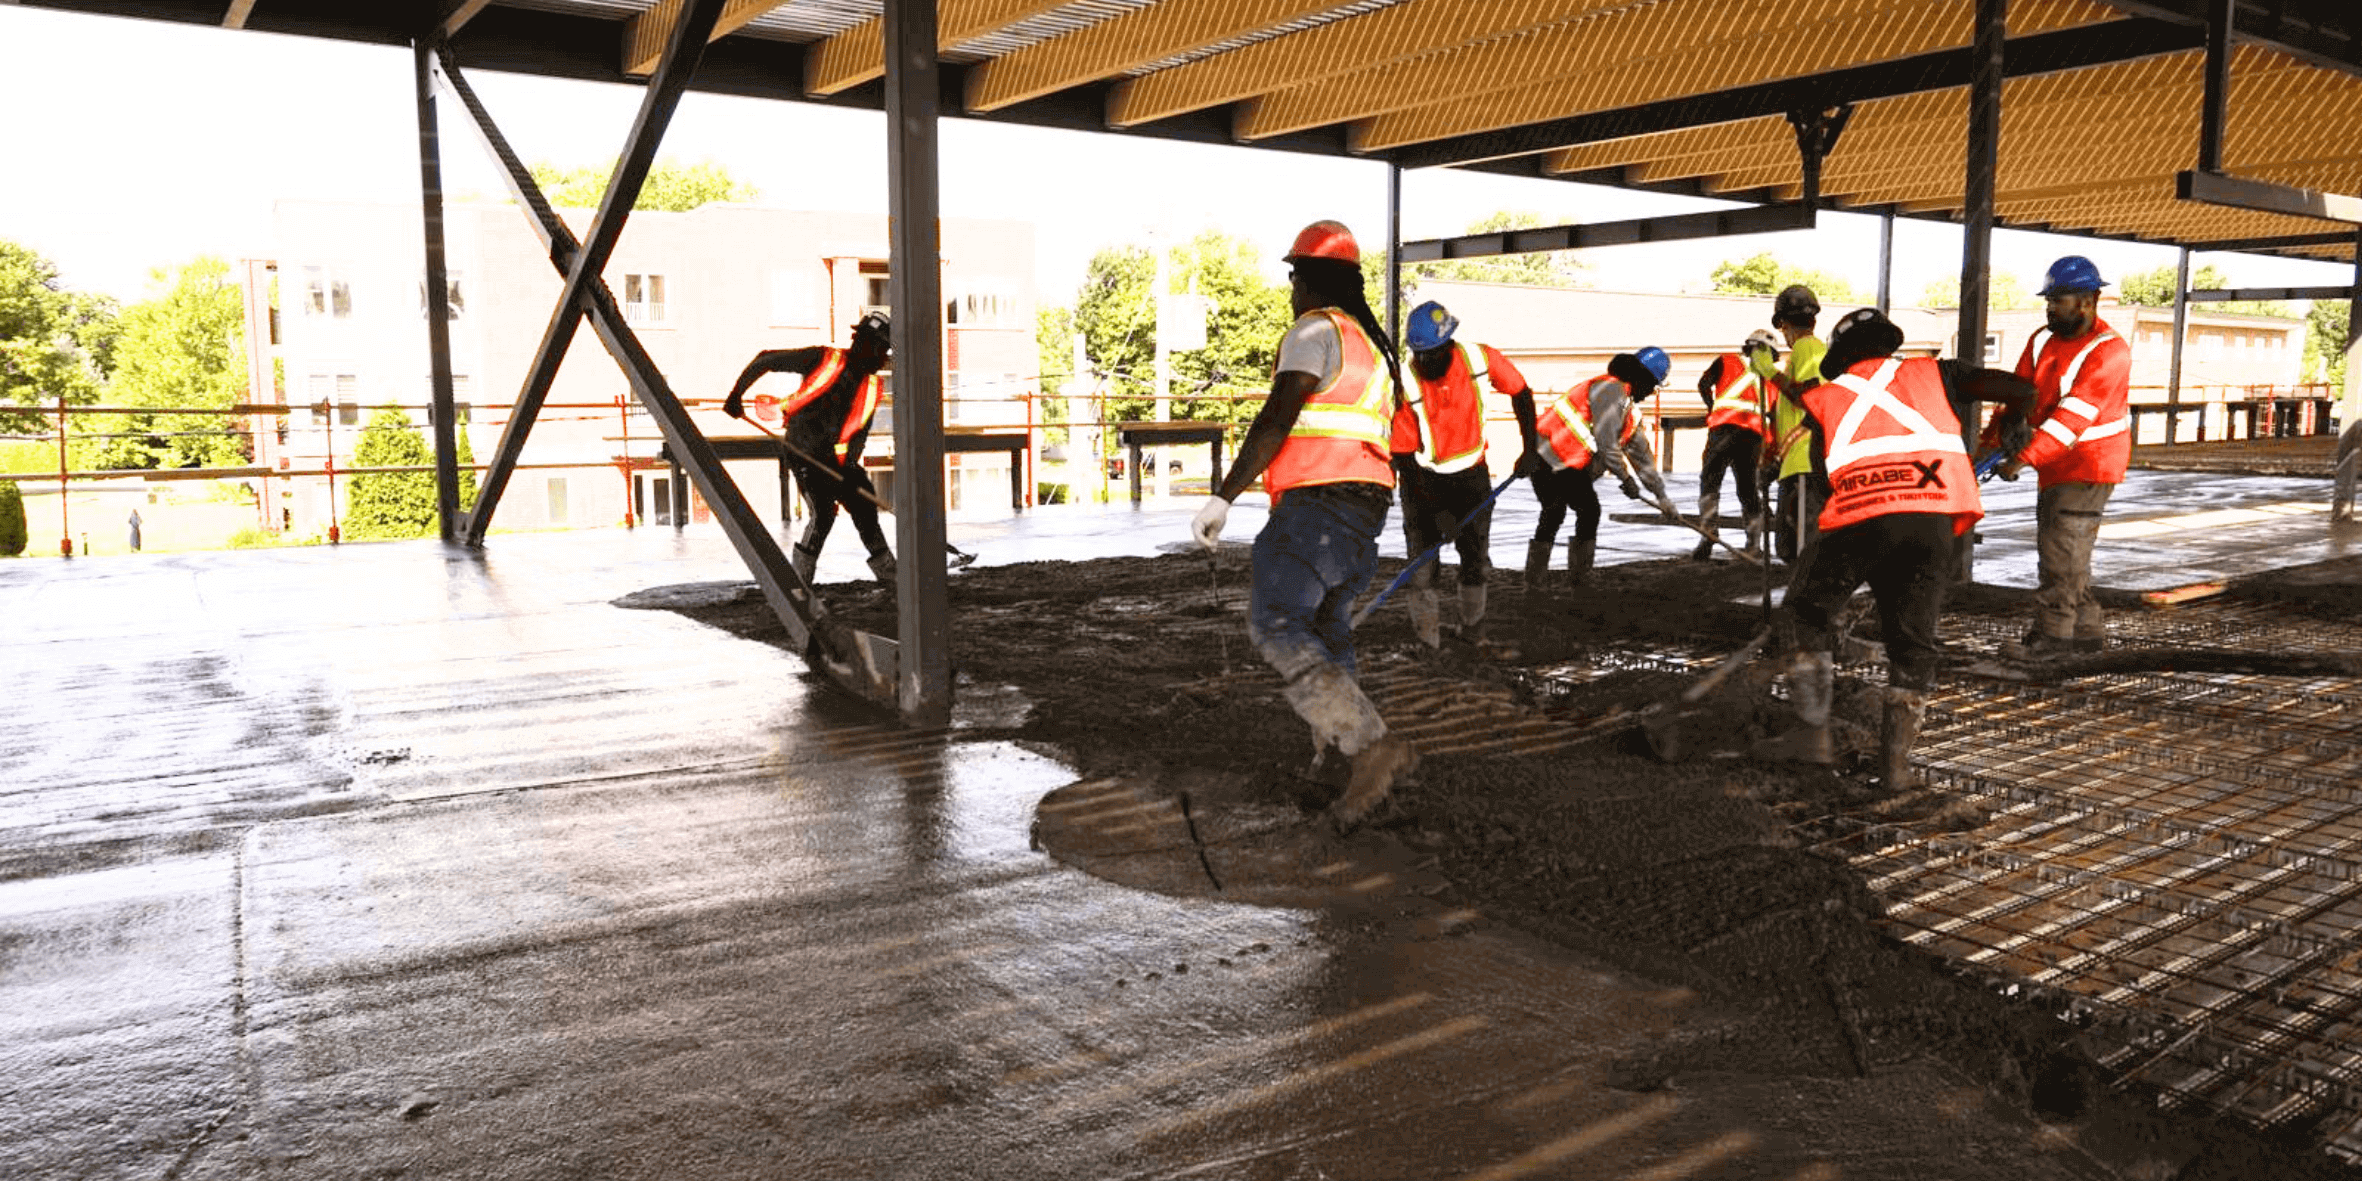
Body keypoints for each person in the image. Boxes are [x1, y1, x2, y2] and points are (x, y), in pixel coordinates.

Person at [1190, 219, 1417, 830]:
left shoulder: (1314, 331)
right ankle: (1340, 758)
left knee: (1277, 622)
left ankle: (1369, 747)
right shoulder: (1372, 347)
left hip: (1315, 506)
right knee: (1327, 628)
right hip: (1362, 512)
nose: (1291, 290)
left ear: (1312, 279)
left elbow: (1277, 417)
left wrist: (1223, 496)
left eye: (1295, 277)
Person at [1752, 308, 2035, 788]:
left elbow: (1823, 482)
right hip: (1932, 524)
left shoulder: (1825, 399)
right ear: (1888, 344)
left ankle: (1812, 736)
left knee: (1806, 612)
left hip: (1860, 520)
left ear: (1841, 358)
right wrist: (2013, 434)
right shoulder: (1938, 372)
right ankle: (1896, 769)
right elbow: (2023, 391)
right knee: (1912, 642)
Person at [1988, 255, 2133, 659]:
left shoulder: (2110, 351)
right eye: (2048, 300)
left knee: (2060, 550)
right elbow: (2016, 394)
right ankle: (2086, 633)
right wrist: (1989, 443)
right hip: (2055, 462)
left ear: (2088, 301)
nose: (2050, 308)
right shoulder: (2041, 340)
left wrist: (2023, 458)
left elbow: (2073, 417)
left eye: (2059, 300)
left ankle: (2052, 639)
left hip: (2089, 464)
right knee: (2070, 551)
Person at [1389, 299, 1529, 646]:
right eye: (1418, 354)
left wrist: (1532, 448)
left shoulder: (1481, 359)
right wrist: (1438, 514)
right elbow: (1404, 458)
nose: (1425, 362)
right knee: (1422, 564)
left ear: (1448, 344)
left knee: (1475, 559)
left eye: (1432, 353)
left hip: (1472, 478)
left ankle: (1473, 634)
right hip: (1423, 480)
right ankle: (1427, 642)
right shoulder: (1405, 382)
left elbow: (1521, 392)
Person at [724, 311, 895, 584]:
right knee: (823, 513)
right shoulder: (822, 359)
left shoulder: (872, 387)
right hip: (804, 453)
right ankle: (800, 582)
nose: (884, 357)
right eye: (882, 348)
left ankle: (891, 576)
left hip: (837, 461)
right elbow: (765, 359)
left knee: (864, 502)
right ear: (863, 343)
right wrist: (736, 393)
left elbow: (859, 434)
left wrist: (849, 468)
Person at [1517, 348, 1676, 590]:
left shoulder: (1629, 411)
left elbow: (1642, 459)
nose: (1652, 391)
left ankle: (1551, 579)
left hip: (1568, 465)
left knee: (1566, 512)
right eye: (1653, 384)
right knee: (1575, 510)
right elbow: (1606, 444)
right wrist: (1625, 479)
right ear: (1642, 377)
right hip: (1545, 456)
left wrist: (1662, 497)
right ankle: (1562, 579)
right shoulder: (1610, 390)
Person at [1689, 329, 1780, 560]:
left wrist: (1713, 408)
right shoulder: (1774, 378)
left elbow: (1703, 384)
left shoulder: (1726, 360)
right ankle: (1753, 544)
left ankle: (1708, 535)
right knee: (1748, 489)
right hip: (1753, 437)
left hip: (1723, 430)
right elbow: (1776, 416)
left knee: (1710, 483)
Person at [1762, 284, 1827, 563]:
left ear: (1783, 323)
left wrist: (1767, 372)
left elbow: (1810, 399)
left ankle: (1809, 603)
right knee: (1790, 548)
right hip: (1795, 464)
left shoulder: (1808, 347)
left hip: (1806, 464)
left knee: (1804, 548)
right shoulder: (1804, 352)